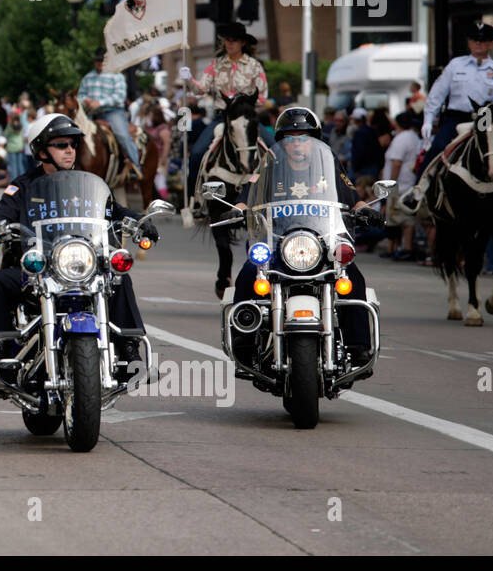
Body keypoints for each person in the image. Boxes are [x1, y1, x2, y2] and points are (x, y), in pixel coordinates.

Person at [0, 113, 159, 382]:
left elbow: (114, 210)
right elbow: (2, 213)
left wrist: (139, 221)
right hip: (37, 270)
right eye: (61, 145)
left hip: (82, 266)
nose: (70, 150)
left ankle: (129, 351)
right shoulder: (22, 186)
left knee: (119, 280)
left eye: (72, 145)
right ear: (41, 150)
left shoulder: (87, 183)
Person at [227, 107, 380, 367]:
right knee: (247, 275)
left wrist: (366, 210)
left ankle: (358, 345)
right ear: (282, 143)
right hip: (277, 242)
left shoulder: (329, 165)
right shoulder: (269, 165)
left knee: (352, 276)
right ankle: (244, 341)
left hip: (321, 242)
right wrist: (237, 210)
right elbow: (248, 194)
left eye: (304, 137)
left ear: (315, 140)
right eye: (291, 137)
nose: (298, 143)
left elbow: (351, 196)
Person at [400, 21, 493, 221]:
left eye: (484, 41)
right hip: (458, 118)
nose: (479, 44)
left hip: (489, 119)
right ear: (469, 43)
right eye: (475, 41)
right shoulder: (456, 65)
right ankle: (418, 191)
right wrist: (428, 120)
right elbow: (437, 94)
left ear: (491, 44)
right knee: (437, 148)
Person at [179, 21, 269, 191]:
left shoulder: (254, 66)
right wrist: (189, 79)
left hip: (247, 119)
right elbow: (201, 89)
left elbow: (263, 95)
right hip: (222, 118)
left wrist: (242, 103)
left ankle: (275, 194)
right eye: (227, 40)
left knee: (275, 151)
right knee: (197, 153)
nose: (229, 44)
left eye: (234, 40)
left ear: (243, 42)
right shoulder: (216, 64)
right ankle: (194, 199)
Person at [78, 45, 140, 173]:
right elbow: (80, 95)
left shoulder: (116, 76)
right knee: (78, 134)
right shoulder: (88, 78)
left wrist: (100, 103)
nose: (100, 63)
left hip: (113, 113)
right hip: (92, 114)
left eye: (102, 60)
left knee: (122, 136)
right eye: (97, 60)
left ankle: (136, 166)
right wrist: (85, 100)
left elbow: (120, 97)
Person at [383, 111, 420, 260]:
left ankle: (404, 248)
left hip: (400, 185)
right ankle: (403, 247)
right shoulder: (414, 137)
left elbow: (396, 163)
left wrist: (390, 184)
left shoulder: (401, 139)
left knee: (400, 219)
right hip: (409, 182)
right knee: (405, 218)